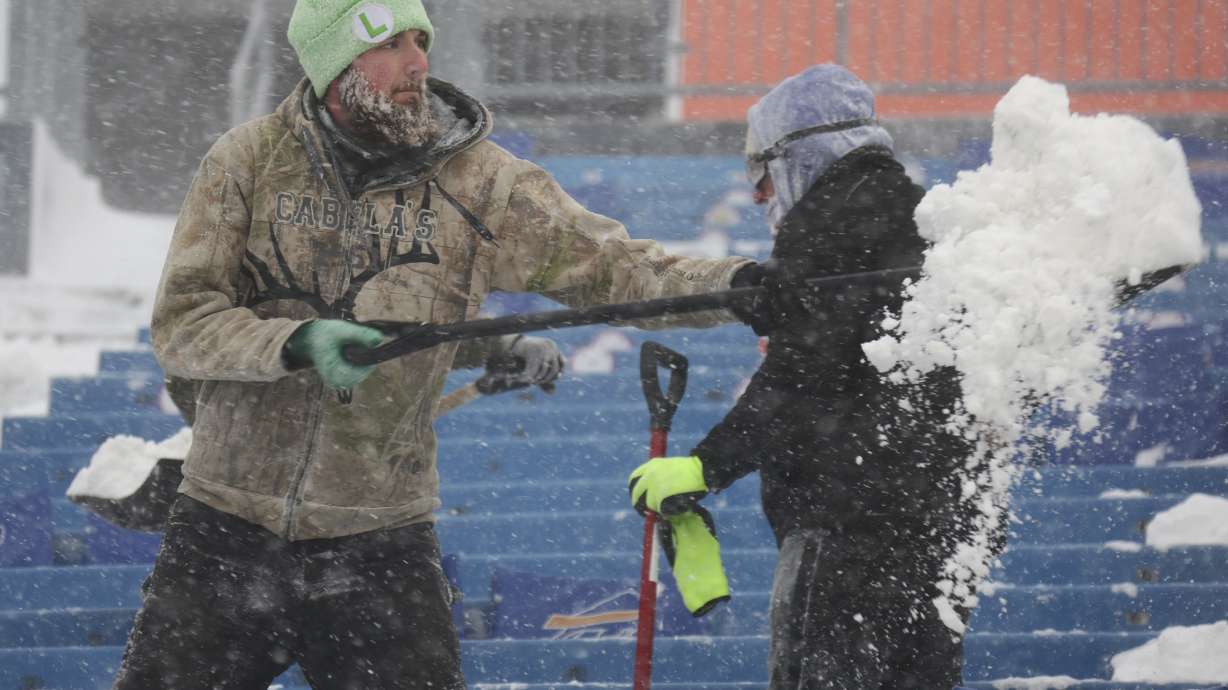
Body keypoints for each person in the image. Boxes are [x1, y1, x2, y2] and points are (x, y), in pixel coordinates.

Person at [117, 1, 759, 687]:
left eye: (420, 40)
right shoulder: (248, 162)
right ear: (336, 64)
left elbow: (619, 269)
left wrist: (739, 286)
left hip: (379, 538)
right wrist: (298, 342)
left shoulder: (482, 184)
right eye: (389, 44)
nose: (417, 62)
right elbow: (184, 325)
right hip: (224, 525)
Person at [627, 64, 983, 689]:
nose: (760, 195)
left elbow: (805, 378)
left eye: (761, 172)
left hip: (847, 527)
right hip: (934, 529)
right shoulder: (919, 217)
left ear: (798, 154)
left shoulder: (828, 225)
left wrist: (705, 467)